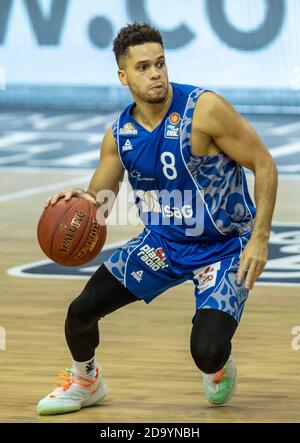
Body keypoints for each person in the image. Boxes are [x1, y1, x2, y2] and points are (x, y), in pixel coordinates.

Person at [37, 22, 278, 415]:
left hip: (223, 248)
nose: (156, 74)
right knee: (80, 312)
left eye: (161, 64)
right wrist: (77, 201)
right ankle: (86, 382)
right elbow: (99, 203)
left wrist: (260, 238)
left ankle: (216, 367)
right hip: (163, 245)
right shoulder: (120, 133)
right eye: (144, 67)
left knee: (207, 352)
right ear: (123, 76)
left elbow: (264, 164)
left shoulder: (205, 109)